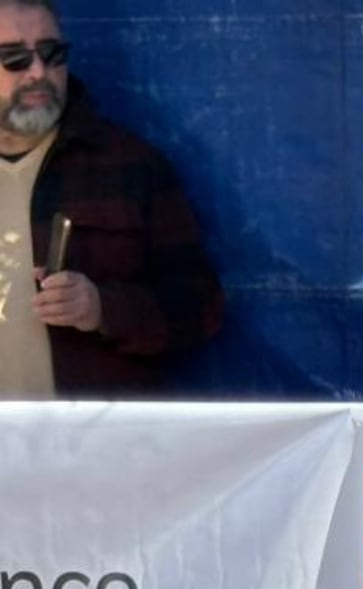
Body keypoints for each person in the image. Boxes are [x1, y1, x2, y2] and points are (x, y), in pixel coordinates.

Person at [0, 0, 223, 399]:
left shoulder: (130, 165)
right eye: (14, 59)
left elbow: (200, 306)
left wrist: (101, 308)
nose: (38, 72)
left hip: (95, 448)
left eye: (52, 53)